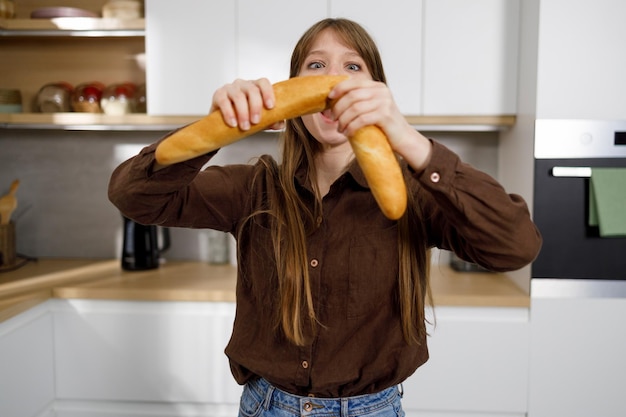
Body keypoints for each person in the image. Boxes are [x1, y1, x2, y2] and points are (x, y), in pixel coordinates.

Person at [109, 18, 542, 417]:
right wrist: (217, 126)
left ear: (378, 93)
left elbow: (516, 245)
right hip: (267, 406)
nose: (334, 80)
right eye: (317, 65)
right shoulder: (251, 187)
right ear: (293, 93)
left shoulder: (415, 195)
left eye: (353, 67)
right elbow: (134, 197)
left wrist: (409, 140)